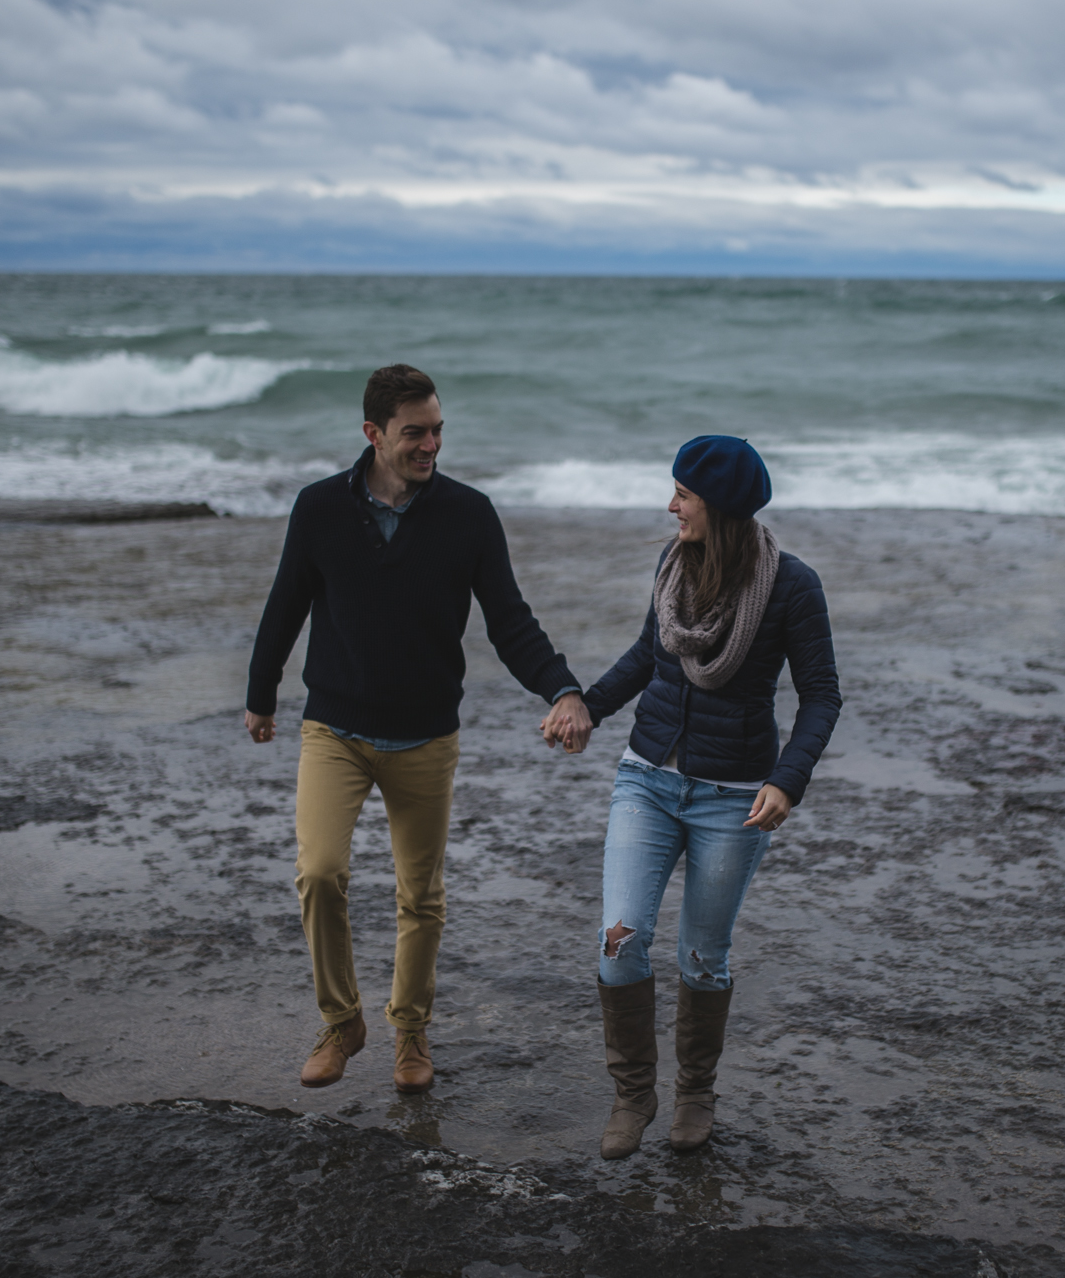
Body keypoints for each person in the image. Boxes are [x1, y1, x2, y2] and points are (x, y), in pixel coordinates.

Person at [245, 364, 593, 1095]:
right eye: (415, 432)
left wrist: (562, 686)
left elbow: (510, 621)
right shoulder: (318, 509)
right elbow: (286, 606)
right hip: (334, 728)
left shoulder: (469, 514)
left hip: (426, 737)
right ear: (373, 434)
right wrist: (260, 694)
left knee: (421, 896)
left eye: (437, 428)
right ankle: (342, 1022)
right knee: (318, 873)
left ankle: (409, 1030)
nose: (431, 443)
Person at [544, 436, 840, 1159]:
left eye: (683, 493)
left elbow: (822, 696)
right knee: (621, 940)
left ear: (722, 505)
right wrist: (586, 704)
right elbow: (650, 655)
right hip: (646, 778)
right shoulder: (671, 564)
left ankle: (696, 1091)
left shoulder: (792, 587)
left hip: (734, 795)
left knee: (704, 956)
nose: (670, 504)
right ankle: (632, 1091)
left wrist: (787, 778)